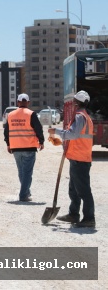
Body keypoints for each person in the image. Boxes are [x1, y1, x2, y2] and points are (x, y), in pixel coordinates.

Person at [49, 90, 95, 228]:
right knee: (74, 189)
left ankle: (89, 218)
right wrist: (63, 142)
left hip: (80, 159)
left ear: (76, 102)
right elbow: (75, 136)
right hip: (76, 157)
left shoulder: (80, 117)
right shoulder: (84, 116)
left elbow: (73, 135)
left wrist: (56, 131)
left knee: (83, 190)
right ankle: (73, 214)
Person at [4, 93, 45, 202]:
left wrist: (8, 144)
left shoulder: (11, 115)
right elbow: (38, 129)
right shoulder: (31, 114)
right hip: (29, 147)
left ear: (17, 102)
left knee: (21, 172)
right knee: (27, 173)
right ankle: (23, 195)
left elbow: (6, 131)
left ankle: (26, 192)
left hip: (15, 147)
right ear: (28, 102)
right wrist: (41, 141)